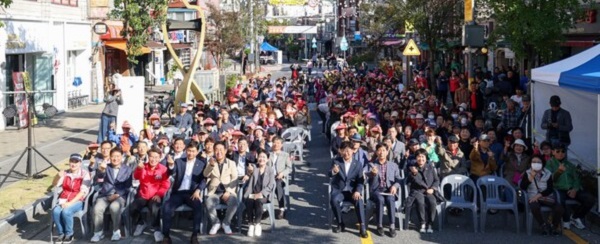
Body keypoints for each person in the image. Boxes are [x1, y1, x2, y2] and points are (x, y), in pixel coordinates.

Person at [161, 142, 206, 244]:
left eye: (193, 151)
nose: (190, 153)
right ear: (186, 151)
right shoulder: (179, 161)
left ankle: (194, 235)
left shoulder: (201, 164)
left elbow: (204, 180)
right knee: (167, 207)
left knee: (198, 207)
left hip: (192, 193)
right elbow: (171, 172)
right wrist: (171, 165)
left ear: (197, 152)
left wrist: (198, 190)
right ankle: (166, 236)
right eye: (189, 151)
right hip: (178, 193)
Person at [545, 144, 596, 230]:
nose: (561, 153)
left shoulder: (569, 164)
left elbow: (577, 179)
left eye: (563, 151)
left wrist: (575, 189)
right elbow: (550, 179)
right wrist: (558, 172)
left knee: (590, 199)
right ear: (553, 152)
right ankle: (566, 220)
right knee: (560, 200)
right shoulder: (549, 164)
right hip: (558, 189)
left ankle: (576, 217)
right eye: (558, 151)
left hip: (571, 189)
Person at [91, 148, 133, 242]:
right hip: (105, 194)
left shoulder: (127, 169)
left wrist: (118, 194)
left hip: (120, 195)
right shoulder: (106, 167)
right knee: (97, 208)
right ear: (110, 157)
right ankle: (98, 232)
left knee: (114, 207)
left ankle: (116, 231)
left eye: (118, 156)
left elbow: (128, 186)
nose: (115, 158)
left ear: (122, 157)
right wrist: (101, 169)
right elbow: (99, 178)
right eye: (113, 156)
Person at [329, 141, 368, 238]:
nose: (346, 153)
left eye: (348, 150)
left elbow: (360, 180)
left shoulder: (358, 164)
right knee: (334, 200)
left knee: (359, 201)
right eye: (344, 150)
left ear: (353, 151)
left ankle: (362, 226)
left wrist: (358, 191)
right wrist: (334, 171)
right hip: (340, 190)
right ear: (341, 151)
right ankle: (340, 223)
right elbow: (329, 173)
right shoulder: (336, 161)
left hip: (352, 191)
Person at [130, 148, 170, 240]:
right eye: (151, 157)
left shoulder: (163, 169)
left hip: (155, 195)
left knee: (155, 208)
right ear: (148, 157)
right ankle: (141, 223)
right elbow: (136, 177)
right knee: (132, 208)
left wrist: (159, 194)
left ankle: (156, 229)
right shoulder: (142, 166)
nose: (153, 159)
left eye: (156, 157)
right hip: (143, 195)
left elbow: (166, 185)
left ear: (160, 158)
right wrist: (139, 169)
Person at [51, 153, 91, 244]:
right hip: (64, 199)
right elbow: (54, 184)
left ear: (80, 163)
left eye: (76, 162)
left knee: (66, 211)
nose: (73, 164)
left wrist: (70, 203)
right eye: (71, 161)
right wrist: (58, 176)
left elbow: (82, 192)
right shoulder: (65, 173)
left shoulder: (85, 174)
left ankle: (69, 234)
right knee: (56, 211)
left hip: (78, 200)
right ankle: (61, 234)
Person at [519, 156, 563, 236]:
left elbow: (550, 188)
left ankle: (554, 225)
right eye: (534, 162)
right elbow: (522, 187)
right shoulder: (527, 172)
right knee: (534, 206)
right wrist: (530, 178)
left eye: (538, 162)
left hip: (545, 196)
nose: (536, 164)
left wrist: (539, 195)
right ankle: (543, 225)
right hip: (532, 197)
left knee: (559, 208)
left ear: (542, 164)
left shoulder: (548, 173)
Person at [366, 144, 402, 237]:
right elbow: (365, 178)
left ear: (387, 152)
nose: (381, 153)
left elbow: (399, 179)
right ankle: (379, 225)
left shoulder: (393, 165)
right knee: (380, 199)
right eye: (379, 150)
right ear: (376, 152)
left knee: (390, 200)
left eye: (383, 150)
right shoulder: (371, 164)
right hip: (376, 190)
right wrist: (372, 174)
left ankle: (392, 225)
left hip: (389, 189)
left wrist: (395, 186)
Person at [204, 142, 239, 235]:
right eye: (216, 150)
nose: (219, 152)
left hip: (228, 191)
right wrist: (211, 165)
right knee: (208, 201)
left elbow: (235, 179)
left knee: (234, 201)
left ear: (225, 151)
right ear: (214, 151)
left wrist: (228, 191)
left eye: (221, 150)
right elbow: (205, 174)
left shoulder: (231, 163)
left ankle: (226, 223)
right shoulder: (211, 162)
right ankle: (216, 223)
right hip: (214, 192)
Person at [406, 149, 442, 233]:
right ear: (416, 158)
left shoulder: (430, 167)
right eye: (419, 156)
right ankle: (422, 222)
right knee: (420, 202)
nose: (421, 159)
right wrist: (414, 174)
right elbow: (409, 181)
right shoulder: (412, 168)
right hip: (417, 191)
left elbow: (437, 180)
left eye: (423, 157)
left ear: (426, 158)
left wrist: (433, 189)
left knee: (432, 202)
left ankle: (430, 223)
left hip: (430, 191)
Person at [243, 150, 275, 237]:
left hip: (264, 195)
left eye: (264, 157)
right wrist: (248, 173)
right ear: (257, 157)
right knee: (249, 200)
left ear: (268, 159)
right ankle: (250, 224)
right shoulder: (254, 167)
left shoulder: (270, 170)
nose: (262, 159)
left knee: (258, 201)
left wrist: (261, 194)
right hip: (253, 193)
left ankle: (257, 224)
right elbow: (249, 172)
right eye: (260, 157)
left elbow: (271, 185)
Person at [268, 137, 292, 219]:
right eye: (274, 142)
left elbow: (289, 168)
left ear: (281, 145)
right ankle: (264, 209)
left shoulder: (285, 155)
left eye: (278, 143)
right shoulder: (268, 154)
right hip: (268, 177)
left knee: (278, 185)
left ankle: (281, 208)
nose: (276, 144)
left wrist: (282, 173)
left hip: (279, 177)